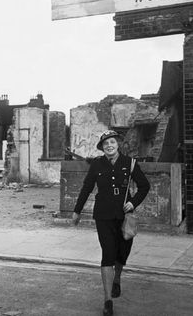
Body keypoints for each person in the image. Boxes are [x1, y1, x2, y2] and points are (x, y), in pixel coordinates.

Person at [72, 130, 150, 316]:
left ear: (118, 144)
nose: (109, 146)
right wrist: (77, 210)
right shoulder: (97, 164)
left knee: (122, 252)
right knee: (108, 253)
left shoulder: (130, 164)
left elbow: (144, 186)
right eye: (105, 144)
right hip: (103, 215)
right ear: (102, 147)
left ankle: (117, 279)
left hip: (125, 216)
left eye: (112, 142)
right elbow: (87, 188)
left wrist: (133, 202)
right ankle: (107, 300)